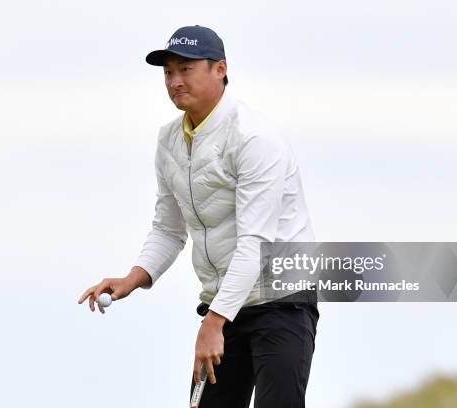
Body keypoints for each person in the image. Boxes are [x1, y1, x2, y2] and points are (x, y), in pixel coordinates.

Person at [78, 25, 319, 408]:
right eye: (168, 72)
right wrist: (133, 278)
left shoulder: (255, 138)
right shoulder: (169, 140)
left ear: (220, 69)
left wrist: (214, 322)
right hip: (223, 306)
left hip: (281, 301)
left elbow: (254, 243)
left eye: (186, 69)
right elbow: (168, 229)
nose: (175, 81)